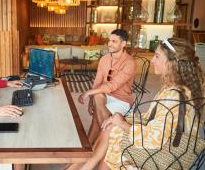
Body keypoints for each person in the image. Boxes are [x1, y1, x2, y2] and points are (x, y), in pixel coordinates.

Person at [67, 37, 204, 170]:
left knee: (112, 132)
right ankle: (82, 165)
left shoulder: (172, 95)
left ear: (172, 63)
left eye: (157, 56)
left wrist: (122, 123)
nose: (152, 60)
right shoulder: (183, 88)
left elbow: (154, 139)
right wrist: (121, 120)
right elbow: (154, 120)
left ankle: (81, 166)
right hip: (172, 150)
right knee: (111, 126)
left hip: (165, 156)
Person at [79, 29, 136, 143]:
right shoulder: (104, 59)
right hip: (106, 96)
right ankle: (96, 144)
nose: (109, 44)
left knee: (96, 118)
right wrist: (91, 101)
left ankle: (95, 144)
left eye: (114, 41)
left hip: (122, 100)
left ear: (123, 44)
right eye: (109, 41)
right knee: (97, 95)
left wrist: (88, 92)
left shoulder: (130, 62)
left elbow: (112, 85)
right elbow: (97, 82)